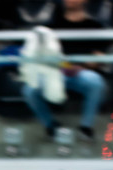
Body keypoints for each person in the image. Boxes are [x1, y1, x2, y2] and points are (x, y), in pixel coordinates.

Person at [21, 0, 108, 141]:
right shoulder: (51, 28)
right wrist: (65, 65)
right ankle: (51, 126)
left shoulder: (95, 27)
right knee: (30, 90)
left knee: (96, 82)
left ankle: (86, 127)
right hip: (55, 72)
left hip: (81, 73)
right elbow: (43, 56)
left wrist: (82, 66)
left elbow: (99, 59)